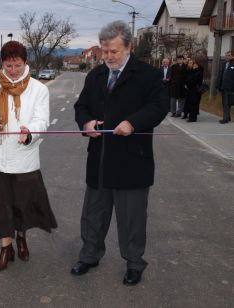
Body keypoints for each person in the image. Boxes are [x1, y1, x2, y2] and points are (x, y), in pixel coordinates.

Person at [71, 20, 168, 286]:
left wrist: (133, 122)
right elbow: (82, 107)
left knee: (132, 219)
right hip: (100, 159)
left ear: (129, 47)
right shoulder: (96, 75)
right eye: (104, 51)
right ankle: (90, 255)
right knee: (93, 214)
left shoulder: (147, 75)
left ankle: (134, 264)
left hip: (132, 161)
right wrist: (86, 123)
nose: (108, 56)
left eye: (114, 51)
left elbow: (160, 106)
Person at [0, 40, 57, 273]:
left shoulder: (39, 89)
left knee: (23, 206)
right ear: (2, 63)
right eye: (8, 66)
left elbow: (43, 120)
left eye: (17, 65)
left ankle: (21, 238)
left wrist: (30, 132)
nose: (12, 71)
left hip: (23, 157)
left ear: (25, 63)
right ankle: (5, 249)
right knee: (0, 206)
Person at [217, 51, 234, 124]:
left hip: (231, 87)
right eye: (226, 55)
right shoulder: (223, 64)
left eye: (229, 55)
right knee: (225, 103)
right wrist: (218, 85)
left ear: (232, 56)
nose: (227, 57)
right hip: (223, 87)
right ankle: (227, 117)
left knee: (228, 103)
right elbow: (220, 75)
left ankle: (226, 118)